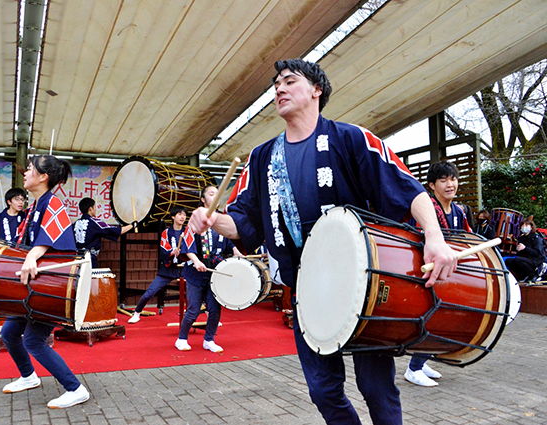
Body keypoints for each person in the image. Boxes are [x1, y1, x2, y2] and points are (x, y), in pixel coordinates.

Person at [188, 58, 457, 424]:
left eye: (289, 81)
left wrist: (435, 236)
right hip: (306, 290)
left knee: (376, 388)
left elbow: (407, 188)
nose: (279, 89)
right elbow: (243, 223)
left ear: (317, 90)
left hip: (365, 283)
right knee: (323, 391)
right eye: (275, 84)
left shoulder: (350, 138)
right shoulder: (262, 158)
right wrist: (212, 220)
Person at [0, 155, 90, 409]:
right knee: (8, 333)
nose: (25, 173)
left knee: (33, 340)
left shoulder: (54, 204)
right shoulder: (34, 207)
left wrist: (32, 255)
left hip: (52, 286)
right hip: (32, 286)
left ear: (43, 177)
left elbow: (51, 238)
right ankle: (29, 376)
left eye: (30, 169)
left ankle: (76, 389)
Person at [405, 160, 472, 388]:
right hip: (428, 272)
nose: (450, 184)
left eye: (452, 179)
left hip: (448, 273)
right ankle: (413, 369)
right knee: (435, 318)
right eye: (443, 180)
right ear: (432, 185)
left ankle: (421, 363)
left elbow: (465, 240)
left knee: (442, 319)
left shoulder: (459, 211)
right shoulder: (428, 210)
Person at [176, 186, 243, 353]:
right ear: (203, 200)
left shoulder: (223, 220)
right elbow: (188, 247)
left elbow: (231, 244)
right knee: (193, 309)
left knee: (214, 309)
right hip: (195, 274)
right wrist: (197, 261)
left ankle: (209, 340)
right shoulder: (196, 220)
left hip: (215, 274)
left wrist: (239, 255)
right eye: (211, 194)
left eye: (217, 194)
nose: (215, 196)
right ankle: (181, 338)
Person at [128, 206, 188, 324]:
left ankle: (209, 316)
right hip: (168, 268)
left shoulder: (188, 232)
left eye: (184, 215)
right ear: (172, 216)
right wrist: (172, 252)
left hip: (184, 268)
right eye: (180, 214)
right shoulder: (166, 233)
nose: (183, 217)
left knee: (196, 293)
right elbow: (163, 251)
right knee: (150, 292)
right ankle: (137, 313)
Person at [73, 197, 136, 268]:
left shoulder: (75, 224)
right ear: (90, 209)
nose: (95, 209)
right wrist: (132, 225)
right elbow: (117, 231)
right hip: (89, 259)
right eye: (95, 207)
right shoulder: (95, 223)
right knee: (90, 278)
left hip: (76, 260)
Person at [505, 218, 546, 282]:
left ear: (531, 228)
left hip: (536, 260)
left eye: (526, 225)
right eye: (522, 225)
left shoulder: (536, 238)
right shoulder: (521, 238)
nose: (524, 227)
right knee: (508, 261)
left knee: (518, 260)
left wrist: (525, 248)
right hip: (526, 259)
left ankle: (533, 275)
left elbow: (537, 253)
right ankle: (523, 275)